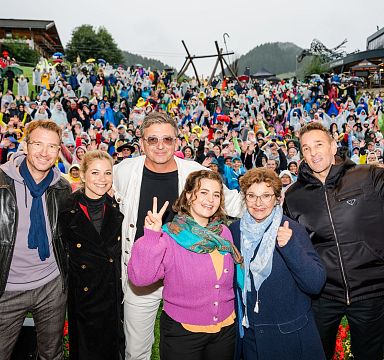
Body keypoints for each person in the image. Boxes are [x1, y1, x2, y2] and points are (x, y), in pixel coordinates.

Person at [113, 112, 242, 360]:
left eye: (167, 140)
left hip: (187, 276)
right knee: (136, 349)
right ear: (141, 142)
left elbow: (231, 200)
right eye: (152, 140)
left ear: (177, 142)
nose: (160, 146)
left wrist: (272, 198)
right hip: (143, 273)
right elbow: (98, 187)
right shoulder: (123, 171)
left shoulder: (193, 171)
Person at [284, 122, 384, 360]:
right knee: (316, 354)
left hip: (370, 290)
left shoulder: (368, 175)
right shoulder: (294, 195)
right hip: (323, 294)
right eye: (306, 148)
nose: (313, 152)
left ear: (333, 146)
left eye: (319, 145)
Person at [128, 170, 241, 360]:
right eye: (203, 192)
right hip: (183, 333)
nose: (210, 200)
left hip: (225, 329)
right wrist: (150, 237)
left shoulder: (223, 232)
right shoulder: (169, 235)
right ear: (188, 195)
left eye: (216, 194)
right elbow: (140, 278)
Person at [230, 168, 326, 360]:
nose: (258, 203)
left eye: (266, 195)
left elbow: (315, 283)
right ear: (244, 198)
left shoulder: (291, 229)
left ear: (277, 198)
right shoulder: (234, 231)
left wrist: (290, 247)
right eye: (252, 196)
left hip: (288, 337)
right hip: (250, 338)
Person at [0, 120, 71, 359]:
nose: (44, 152)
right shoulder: (2, 182)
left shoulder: (62, 187)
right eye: (38, 144)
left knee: (51, 353)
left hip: (50, 285)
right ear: (26, 145)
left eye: (52, 146)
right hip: (7, 287)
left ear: (59, 150)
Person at [58, 150, 124, 360]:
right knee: (85, 348)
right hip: (83, 292)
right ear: (83, 174)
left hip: (111, 289)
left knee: (110, 347)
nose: (102, 179)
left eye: (107, 173)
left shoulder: (117, 206)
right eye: (95, 173)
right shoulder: (67, 208)